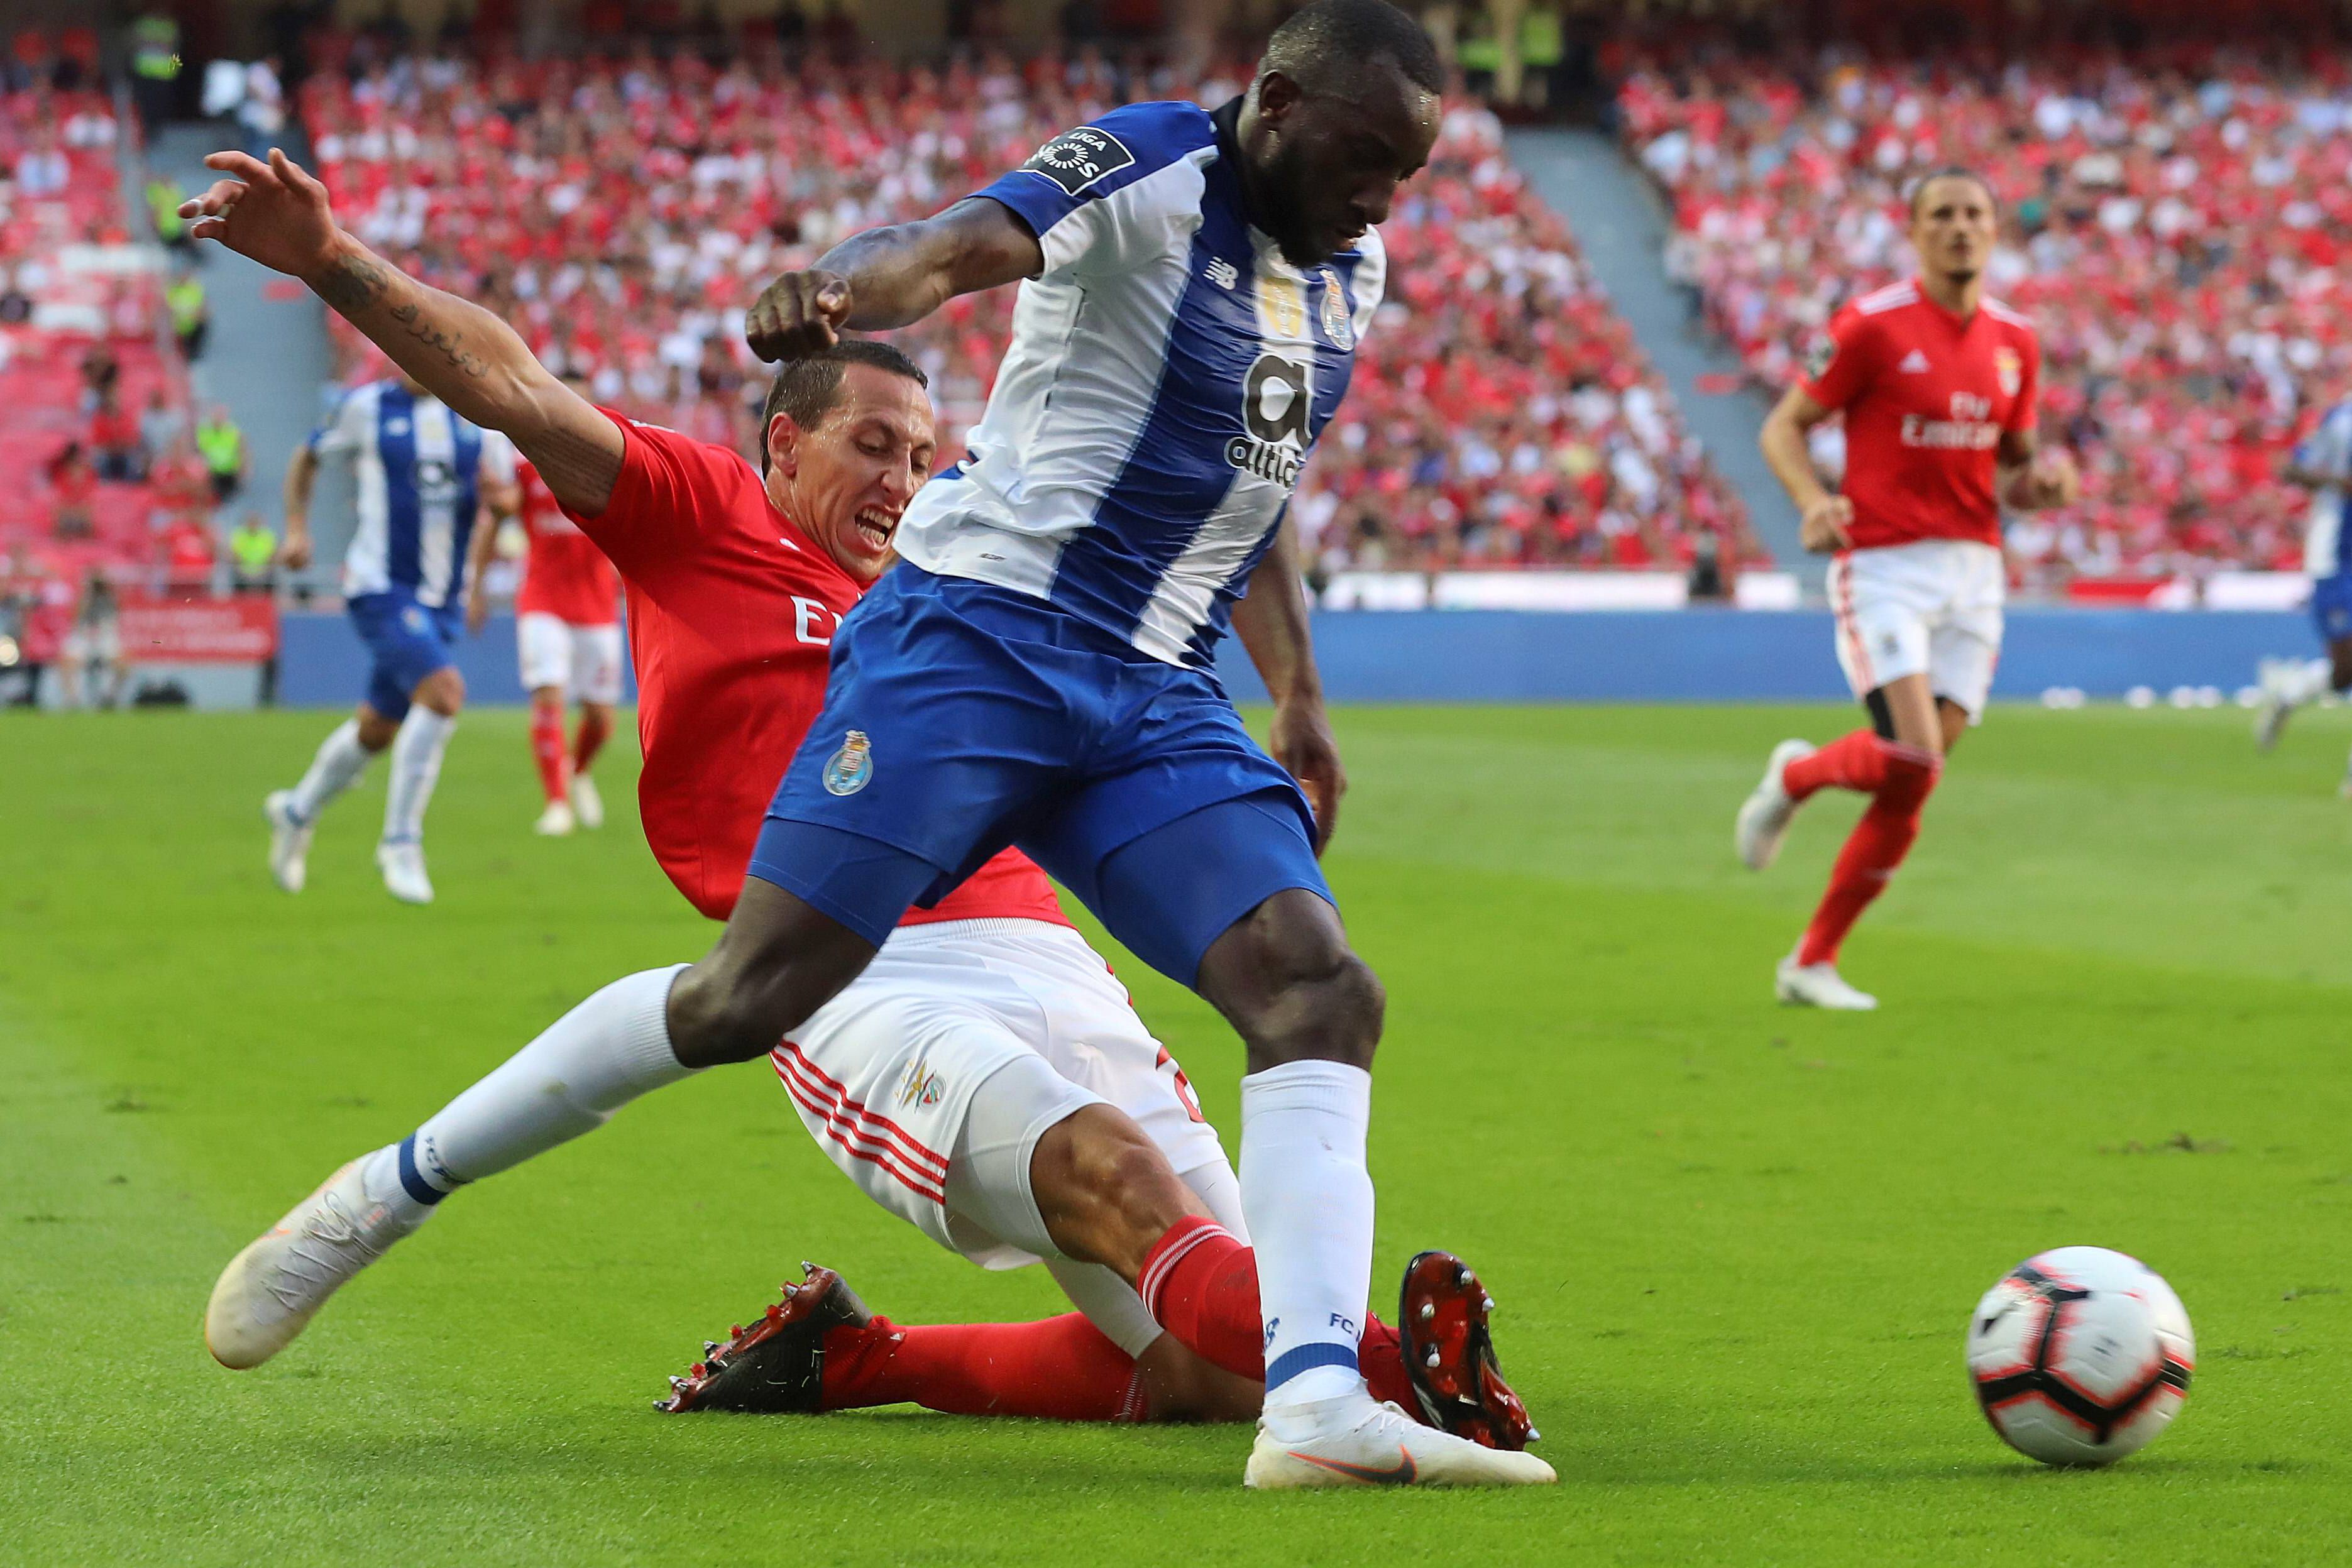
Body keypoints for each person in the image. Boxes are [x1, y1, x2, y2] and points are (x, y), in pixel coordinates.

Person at [180, 0, 1547, 1491]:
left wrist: (1295, 692)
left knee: (1289, 1071)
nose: (906, 476)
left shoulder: (1327, 280)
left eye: (922, 452)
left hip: (1088, 807)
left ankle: (956, 1364)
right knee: (816, 1036)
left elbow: (1242, 475)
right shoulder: (711, 514)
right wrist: (838, 283)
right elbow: (941, 249)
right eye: (872, 448)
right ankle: (381, 1194)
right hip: (896, 913)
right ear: (784, 445)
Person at [1740, 168, 2078, 1009]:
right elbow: (1782, 424)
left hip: (1974, 571)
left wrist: (2047, 483)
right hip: (1885, 563)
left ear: (1995, 231)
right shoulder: (1871, 326)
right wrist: (1814, 502)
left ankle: (1809, 958)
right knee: (1916, 752)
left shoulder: (2015, 341)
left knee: (1911, 775)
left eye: (1973, 214)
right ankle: (1796, 780)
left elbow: (2014, 464)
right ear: (1915, 231)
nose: (1960, 228)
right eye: (1942, 215)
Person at [260, 372, 515, 904]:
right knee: (444, 693)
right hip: (381, 585)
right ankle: (400, 842)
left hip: (443, 597)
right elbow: (307, 456)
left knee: (376, 728)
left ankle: (296, 812)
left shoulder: (481, 416)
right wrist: (298, 529)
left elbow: (506, 499)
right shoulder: (366, 407)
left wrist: (500, 523)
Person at [467, 405, 624, 838]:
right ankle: (556, 804)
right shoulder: (526, 470)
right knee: (548, 696)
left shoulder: (610, 467)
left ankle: (577, 770)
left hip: (596, 606)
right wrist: (476, 589)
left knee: (600, 718)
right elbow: (497, 516)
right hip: (543, 601)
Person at [2253, 393, 2352, 787]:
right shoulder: (2342, 419)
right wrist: (2338, 481)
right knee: (2345, 672)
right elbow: (2293, 469)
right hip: (2336, 557)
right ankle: (2290, 695)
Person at [60, 568, 123, 710]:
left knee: (123, 664)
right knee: (66, 663)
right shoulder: (84, 598)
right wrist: (87, 593)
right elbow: (76, 617)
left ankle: (109, 697)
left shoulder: (109, 598)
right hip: (83, 637)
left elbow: (116, 615)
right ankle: (73, 700)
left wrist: (107, 590)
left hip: (104, 637)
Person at [195, 403, 246, 503]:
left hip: (230, 473)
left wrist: (243, 472)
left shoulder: (233, 432)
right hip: (212, 474)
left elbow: (243, 452)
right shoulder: (204, 433)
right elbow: (199, 453)